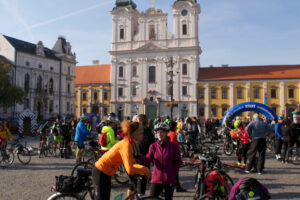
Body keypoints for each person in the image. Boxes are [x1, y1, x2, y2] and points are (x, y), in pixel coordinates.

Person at [92, 121, 150, 200]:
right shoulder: (126, 145)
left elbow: (132, 163)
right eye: (141, 133)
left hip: (106, 172)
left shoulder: (129, 143)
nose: (143, 135)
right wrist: (145, 170)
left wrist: (144, 170)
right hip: (101, 171)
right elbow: (129, 169)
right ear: (135, 134)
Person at [137, 123, 182, 200]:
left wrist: (172, 174)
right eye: (158, 132)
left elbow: (178, 162)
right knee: (152, 198)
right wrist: (138, 156)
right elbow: (148, 160)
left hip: (169, 179)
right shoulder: (153, 146)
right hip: (156, 179)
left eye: (162, 132)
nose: (160, 134)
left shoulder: (173, 146)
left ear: (166, 133)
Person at [128, 114, 155, 198]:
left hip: (132, 162)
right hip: (143, 163)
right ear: (146, 122)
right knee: (141, 190)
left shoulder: (134, 132)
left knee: (131, 187)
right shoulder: (149, 133)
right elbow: (153, 148)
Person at [168, 120, 186, 192]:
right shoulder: (172, 134)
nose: (176, 127)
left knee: (175, 172)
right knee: (175, 172)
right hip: (173, 156)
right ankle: (177, 187)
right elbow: (173, 145)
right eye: (175, 126)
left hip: (171, 155)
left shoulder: (169, 133)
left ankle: (177, 186)